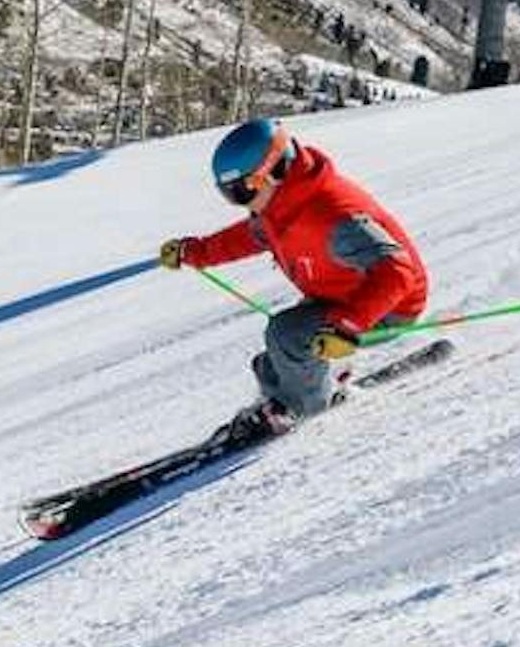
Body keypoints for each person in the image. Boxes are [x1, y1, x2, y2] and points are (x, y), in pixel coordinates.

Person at [157, 117, 429, 421]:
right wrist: (195, 252)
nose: (240, 204)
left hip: (387, 309)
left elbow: (397, 272)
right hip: (341, 293)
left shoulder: (334, 216)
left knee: (287, 337)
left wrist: (349, 325)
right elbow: (248, 236)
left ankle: (299, 410)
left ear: (271, 172)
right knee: (271, 365)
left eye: (240, 193)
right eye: (228, 193)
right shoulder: (280, 206)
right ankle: (297, 393)